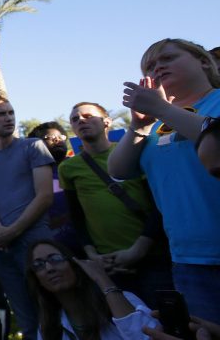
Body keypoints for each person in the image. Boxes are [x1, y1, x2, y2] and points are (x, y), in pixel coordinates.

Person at [108, 39, 220, 322]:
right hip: (188, 261)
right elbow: (117, 169)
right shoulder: (153, 124)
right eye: (150, 66)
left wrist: (165, 110)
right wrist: (139, 125)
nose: (158, 67)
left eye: (168, 58)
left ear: (204, 62)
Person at [60, 102, 172, 308]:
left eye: (87, 116)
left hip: (152, 257)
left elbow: (159, 204)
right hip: (108, 265)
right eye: (75, 119)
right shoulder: (68, 168)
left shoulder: (136, 152)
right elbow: (76, 215)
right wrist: (92, 255)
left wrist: (139, 249)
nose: (81, 121)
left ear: (107, 122)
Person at [0, 97, 55, 340]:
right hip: (3, 247)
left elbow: (44, 196)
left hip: (36, 241)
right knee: (24, 314)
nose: (8, 118)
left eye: (11, 112)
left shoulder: (33, 147)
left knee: (49, 308)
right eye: (0, 114)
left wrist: (14, 230)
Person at [26, 239, 158, 340]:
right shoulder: (48, 328)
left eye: (55, 259)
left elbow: (148, 336)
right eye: (38, 265)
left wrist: (103, 280)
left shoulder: (124, 299)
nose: (49, 268)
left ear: (76, 265)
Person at [27, 122, 82, 256]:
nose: (57, 140)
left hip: (89, 244)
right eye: (49, 137)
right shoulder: (29, 176)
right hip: (54, 250)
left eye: (61, 137)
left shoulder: (80, 166)